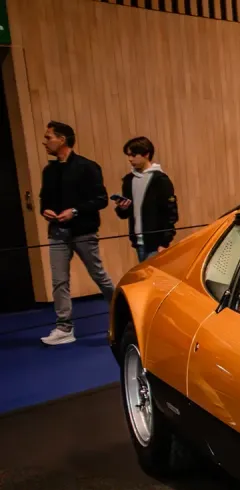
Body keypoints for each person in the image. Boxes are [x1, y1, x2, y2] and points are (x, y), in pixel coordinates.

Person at [38, 121, 114, 347]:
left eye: (48, 137)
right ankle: (64, 328)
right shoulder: (49, 171)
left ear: (62, 139)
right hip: (57, 233)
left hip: (83, 231)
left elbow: (101, 199)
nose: (44, 142)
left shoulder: (88, 167)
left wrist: (75, 211)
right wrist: (45, 210)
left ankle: (121, 314)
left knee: (99, 275)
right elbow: (44, 199)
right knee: (59, 281)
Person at [113, 136, 178, 264]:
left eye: (133, 155)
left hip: (156, 243)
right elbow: (125, 214)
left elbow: (170, 214)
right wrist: (122, 208)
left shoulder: (160, 180)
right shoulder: (129, 180)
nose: (130, 159)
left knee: (152, 275)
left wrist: (165, 242)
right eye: (128, 155)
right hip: (138, 241)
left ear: (146, 154)